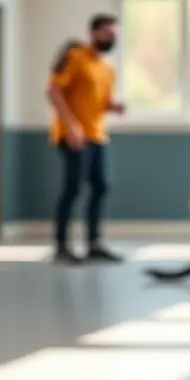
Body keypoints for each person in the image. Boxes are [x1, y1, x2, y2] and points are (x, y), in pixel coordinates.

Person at [46, 14, 127, 264]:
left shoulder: (107, 69)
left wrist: (114, 107)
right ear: (94, 32)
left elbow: (100, 102)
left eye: (115, 35)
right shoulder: (74, 56)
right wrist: (71, 126)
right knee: (73, 189)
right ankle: (61, 245)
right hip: (72, 136)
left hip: (97, 136)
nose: (112, 39)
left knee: (102, 186)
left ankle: (94, 243)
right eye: (108, 34)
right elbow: (54, 91)